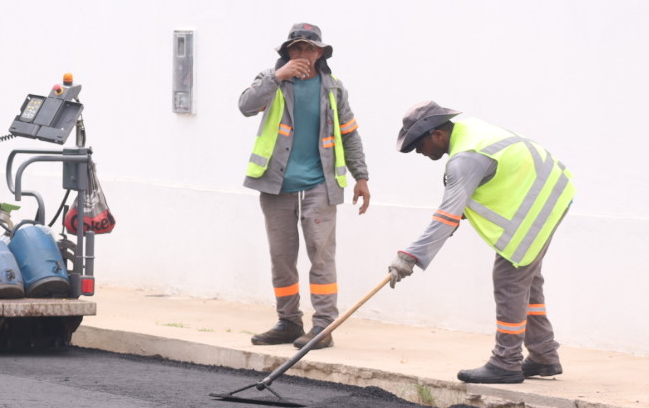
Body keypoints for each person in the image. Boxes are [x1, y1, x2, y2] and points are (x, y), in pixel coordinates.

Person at [389, 102, 575, 385]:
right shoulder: (470, 131)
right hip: (554, 191)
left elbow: (446, 217)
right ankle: (543, 355)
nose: (419, 152)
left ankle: (506, 362)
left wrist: (408, 257)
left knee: (509, 280)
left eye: (419, 144)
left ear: (437, 135)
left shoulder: (464, 159)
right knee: (527, 280)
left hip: (539, 203)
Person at [239, 23, 371, 350]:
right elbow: (245, 105)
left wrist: (362, 178)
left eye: (310, 49)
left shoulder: (334, 88)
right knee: (282, 257)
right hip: (276, 185)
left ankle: (323, 326)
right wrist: (278, 75)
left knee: (321, 255)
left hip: (320, 184)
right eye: (296, 49)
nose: (303, 55)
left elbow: (350, 135)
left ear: (321, 53)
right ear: (287, 52)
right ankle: (288, 321)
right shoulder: (272, 80)